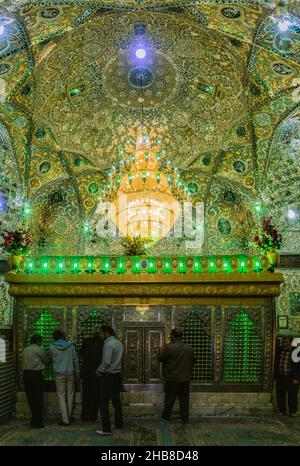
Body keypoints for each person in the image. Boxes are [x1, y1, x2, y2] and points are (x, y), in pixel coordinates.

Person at [158, 328, 194, 425]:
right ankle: (184, 419)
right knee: (184, 400)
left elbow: (161, 358)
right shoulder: (189, 348)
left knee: (170, 399)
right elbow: (193, 362)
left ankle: (166, 417)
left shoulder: (170, 348)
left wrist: (160, 350)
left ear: (173, 336)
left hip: (172, 378)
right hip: (185, 379)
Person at [95, 325, 124, 436]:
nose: (101, 335)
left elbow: (106, 361)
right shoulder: (119, 343)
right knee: (116, 401)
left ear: (106, 333)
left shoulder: (108, 344)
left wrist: (99, 370)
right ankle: (118, 424)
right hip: (117, 375)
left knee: (104, 402)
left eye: (101, 333)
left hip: (108, 376)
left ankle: (106, 429)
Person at [49, 330, 80, 426]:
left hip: (59, 374)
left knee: (61, 396)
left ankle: (65, 419)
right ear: (63, 336)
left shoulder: (52, 346)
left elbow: (50, 359)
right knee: (70, 394)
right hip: (70, 373)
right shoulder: (71, 346)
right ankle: (69, 417)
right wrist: (77, 372)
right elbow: (75, 360)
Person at [23, 334, 48, 428]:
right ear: (37, 341)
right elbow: (46, 360)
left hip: (26, 375)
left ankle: (33, 419)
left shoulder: (25, 349)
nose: (41, 343)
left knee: (30, 397)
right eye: (41, 341)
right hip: (36, 375)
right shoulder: (39, 349)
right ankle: (37, 421)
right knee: (38, 398)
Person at [79, 326, 104, 421]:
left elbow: (81, 353)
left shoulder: (87, 341)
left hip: (86, 373)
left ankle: (85, 415)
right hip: (97, 373)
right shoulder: (103, 343)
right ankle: (93, 415)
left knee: (86, 395)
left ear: (93, 333)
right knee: (95, 395)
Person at [274, 336, 300, 417]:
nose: (284, 344)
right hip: (281, 376)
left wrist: (297, 378)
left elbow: (298, 366)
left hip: (291, 378)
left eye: (286, 342)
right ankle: (282, 410)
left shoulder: (296, 352)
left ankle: (292, 411)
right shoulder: (279, 350)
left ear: (291, 342)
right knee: (280, 394)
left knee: (292, 395)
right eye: (283, 342)